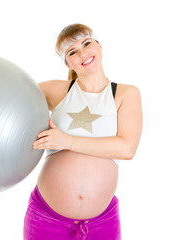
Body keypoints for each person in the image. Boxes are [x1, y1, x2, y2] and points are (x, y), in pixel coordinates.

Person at [24, 23, 143, 240]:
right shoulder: (56, 90)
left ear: (99, 46)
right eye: (72, 51)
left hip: (102, 221)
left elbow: (126, 148)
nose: (83, 53)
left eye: (87, 44)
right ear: (67, 61)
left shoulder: (126, 94)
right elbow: (11, 100)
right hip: (47, 218)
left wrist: (66, 141)